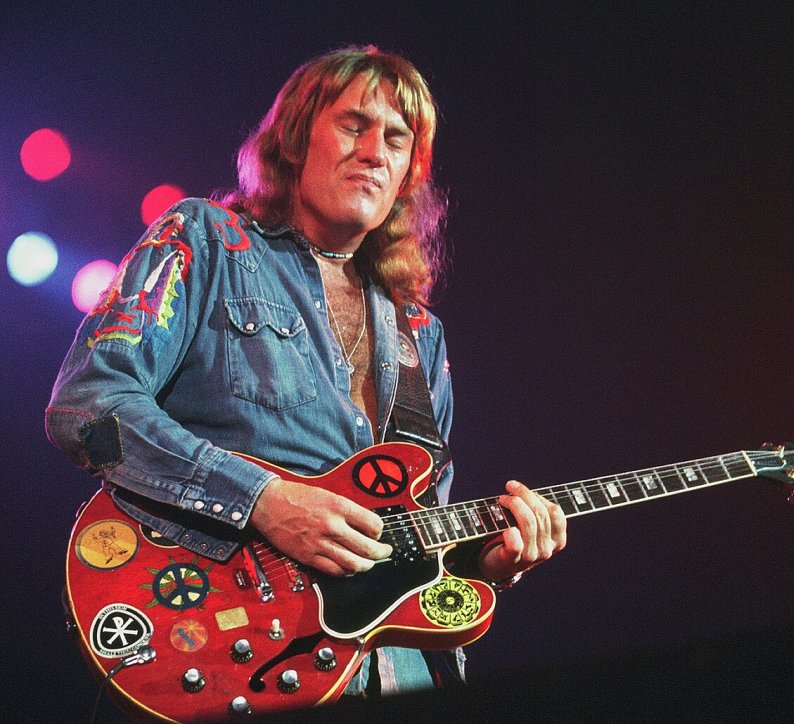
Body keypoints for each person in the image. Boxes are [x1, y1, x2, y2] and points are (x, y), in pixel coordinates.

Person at [47, 45, 566, 698]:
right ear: (294, 139)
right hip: (230, 642)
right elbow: (89, 405)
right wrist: (263, 499)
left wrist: (490, 562)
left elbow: (416, 529)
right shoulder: (206, 239)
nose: (375, 152)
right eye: (354, 125)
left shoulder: (419, 331)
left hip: (400, 670)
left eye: (397, 140)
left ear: (408, 174)